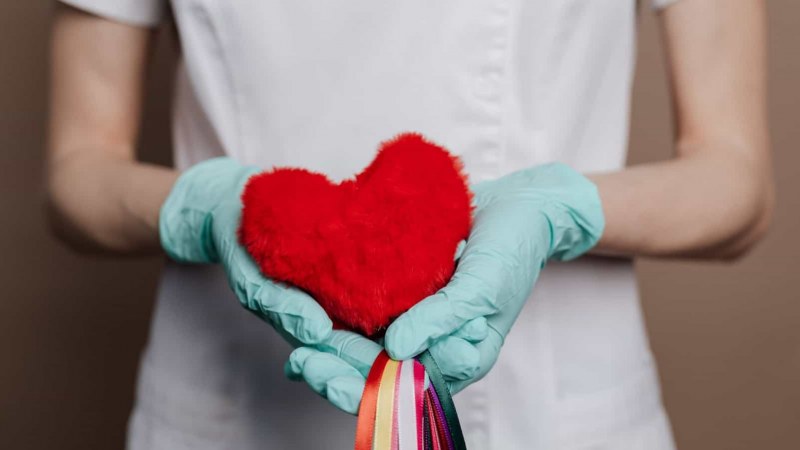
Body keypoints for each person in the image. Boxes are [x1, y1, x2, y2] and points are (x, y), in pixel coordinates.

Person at [45, 0, 773, 448]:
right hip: (225, 408)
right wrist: (207, 210)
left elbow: (735, 181)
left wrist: (557, 210)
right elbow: (78, 170)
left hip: (551, 415)